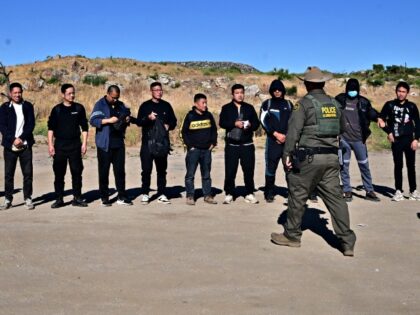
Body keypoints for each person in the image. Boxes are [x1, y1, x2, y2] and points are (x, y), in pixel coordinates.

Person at [270, 67, 356, 257]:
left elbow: (293, 132)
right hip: (332, 158)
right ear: (323, 83)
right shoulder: (335, 104)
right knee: (336, 199)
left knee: (297, 194)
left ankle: (292, 235)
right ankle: (347, 241)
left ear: (307, 84)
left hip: (309, 158)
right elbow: (342, 128)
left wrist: (287, 156)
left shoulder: (304, 104)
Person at [335, 78, 380, 202]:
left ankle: (369, 190)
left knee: (364, 165)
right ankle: (347, 190)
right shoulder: (339, 99)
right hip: (344, 140)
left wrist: (379, 119)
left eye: (354, 90)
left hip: (359, 140)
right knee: (343, 166)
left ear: (358, 90)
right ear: (346, 89)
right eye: (350, 89)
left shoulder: (363, 102)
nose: (352, 92)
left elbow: (372, 113)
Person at [89, 85, 132, 206]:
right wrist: (108, 120)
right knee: (104, 172)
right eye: (113, 97)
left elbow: (126, 115)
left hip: (119, 143)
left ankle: (122, 196)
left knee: (120, 172)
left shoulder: (121, 104)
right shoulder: (100, 104)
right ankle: (104, 197)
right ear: (108, 94)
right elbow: (93, 120)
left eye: (117, 97)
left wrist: (127, 119)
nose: (115, 100)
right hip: (104, 144)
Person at [47, 84, 89, 208]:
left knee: (77, 172)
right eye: (69, 93)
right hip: (60, 145)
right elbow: (51, 129)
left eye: (73, 93)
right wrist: (50, 145)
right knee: (59, 173)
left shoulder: (79, 108)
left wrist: (85, 143)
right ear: (63, 95)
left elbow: (84, 127)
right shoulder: (57, 110)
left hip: (75, 145)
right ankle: (59, 199)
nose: (72, 95)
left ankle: (77, 198)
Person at [135, 82, 177, 205]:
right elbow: (138, 122)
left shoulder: (166, 106)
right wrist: (148, 118)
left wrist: (169, 125)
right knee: (146, 170)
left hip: (162, 143)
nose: (159, 92)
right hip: (147, 143)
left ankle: (162, 193)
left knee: (162, 170)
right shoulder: (145, 106)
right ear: (151, 91)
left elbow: (174, 121)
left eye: (160, 90)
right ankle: (145, 193)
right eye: (156, 90)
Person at [378, 81, 419, 201]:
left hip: (409, 139)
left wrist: (416, 139)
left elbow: (418, 123)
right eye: (399, 91)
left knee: (411, 166)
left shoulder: (412, 106)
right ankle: (398, 191)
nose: (401, 94)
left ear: (407, 93)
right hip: (396, 140)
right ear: (396, 92)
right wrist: (388, 132)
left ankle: (413, 191)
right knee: (398, 165)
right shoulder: (389, 105)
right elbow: (381, 120)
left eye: (403, 92)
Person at [219, 83, 260, 204]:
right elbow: (222, 123)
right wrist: (234, 123)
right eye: (237, 93)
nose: (240, 95)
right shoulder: (226, 108)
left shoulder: (249, 108)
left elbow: (256, 124)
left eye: (242, 93)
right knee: (230, 170)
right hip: (232, 145)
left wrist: (249, 125)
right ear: (232, 94)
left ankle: (249, 192)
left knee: (248, 170)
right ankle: (229, 193)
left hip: (247, 145)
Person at [0, 82, 35, 210]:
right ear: (10, 94)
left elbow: (31, 124)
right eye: (15, 93)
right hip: (10, 146)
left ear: (22, 92)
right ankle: (8, 199)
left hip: (25, 145)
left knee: (28, 173)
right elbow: (2, 126)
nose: (17, 95)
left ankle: (28, 198)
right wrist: (13, 139)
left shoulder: (28, 106)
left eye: (19, 92)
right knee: (9, 174)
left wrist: (22, 138)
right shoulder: (4, 107)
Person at [180, 93, 218, 205]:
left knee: (206, 175)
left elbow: (214, 130)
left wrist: (213, 143)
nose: (205, 105)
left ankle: (207, 195)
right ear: (196, 104)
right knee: (190, 175)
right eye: (203, 103)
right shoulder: (190, 116)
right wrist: (189, 146)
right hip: (194, 151)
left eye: (206, 103)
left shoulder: (209, 115)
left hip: (207, 150)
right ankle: (190, 196)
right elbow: (183, 132)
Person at [259, 79, 292, 202]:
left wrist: (286, 136)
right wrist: (276, 134)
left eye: (279, 90)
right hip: (272, 142)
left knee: (289, 168)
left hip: (287, 142)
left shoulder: (289, 104)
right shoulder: (267, 104)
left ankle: (291, 193)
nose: (277, 92)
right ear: (272, 91)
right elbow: (263, 120)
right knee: (270, 168)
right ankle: (269, 192)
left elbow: (294, 122)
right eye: (275, 90)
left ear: (283, 91)